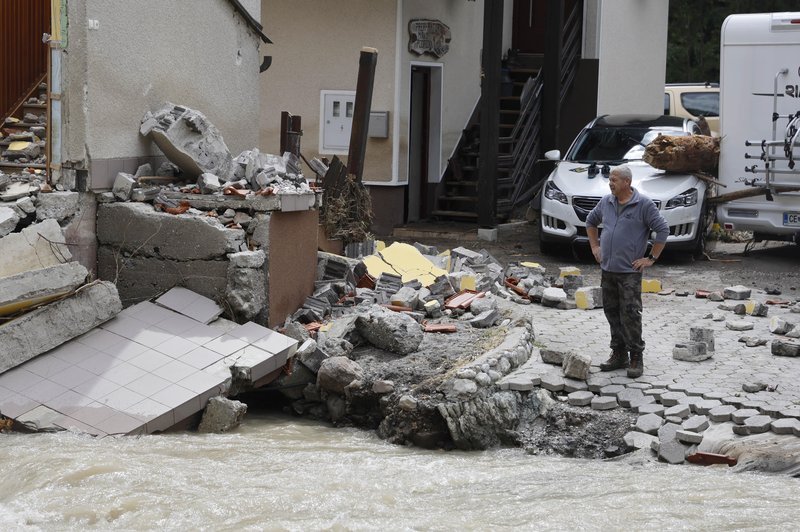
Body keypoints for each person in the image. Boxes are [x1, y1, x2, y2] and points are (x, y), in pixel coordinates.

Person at [585, 165, 669, 378]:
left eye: (614, 180)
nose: (610, 183)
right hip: (608, 269)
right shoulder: (607, 201)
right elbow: (590, 221)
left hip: (629, 272)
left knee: (630, 314)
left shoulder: (644, 205)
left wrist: (651, 258)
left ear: (627, 182)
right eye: (610, 180)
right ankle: (618, 353)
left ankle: (636, 357)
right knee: (611, 312)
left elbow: (663, 229)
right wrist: (595, 247)